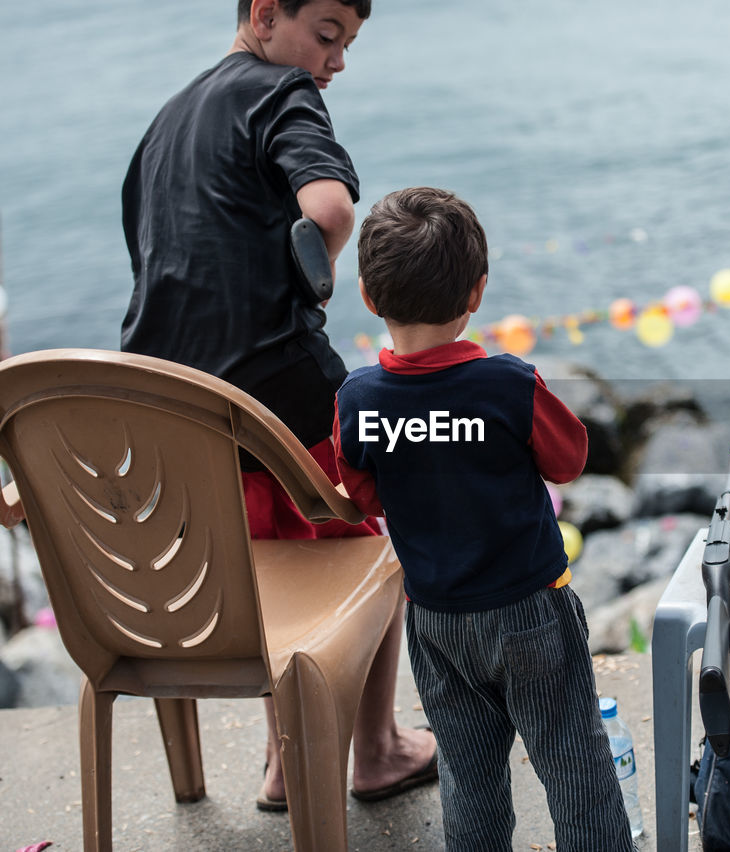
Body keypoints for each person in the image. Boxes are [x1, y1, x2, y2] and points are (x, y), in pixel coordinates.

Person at [119, 0, 437, 809]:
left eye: (347, 45)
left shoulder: (161, 128)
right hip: (278, 392)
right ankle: (376, 750)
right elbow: (330, 209)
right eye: (327, 36)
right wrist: (311, 277)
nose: (334, 62)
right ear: (264, 15)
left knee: (272, 560)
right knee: (371, 544)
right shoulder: (278, 89)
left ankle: (281, 761)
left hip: (175, 418)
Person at [334, 186, 636, 851]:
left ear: (368, 297)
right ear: (477, 292)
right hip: (531, 611)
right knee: (574, 765)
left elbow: (361, 498)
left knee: (469, 781)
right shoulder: (507, 384)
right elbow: (570, 460)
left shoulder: (359, 398)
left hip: (436, 620)